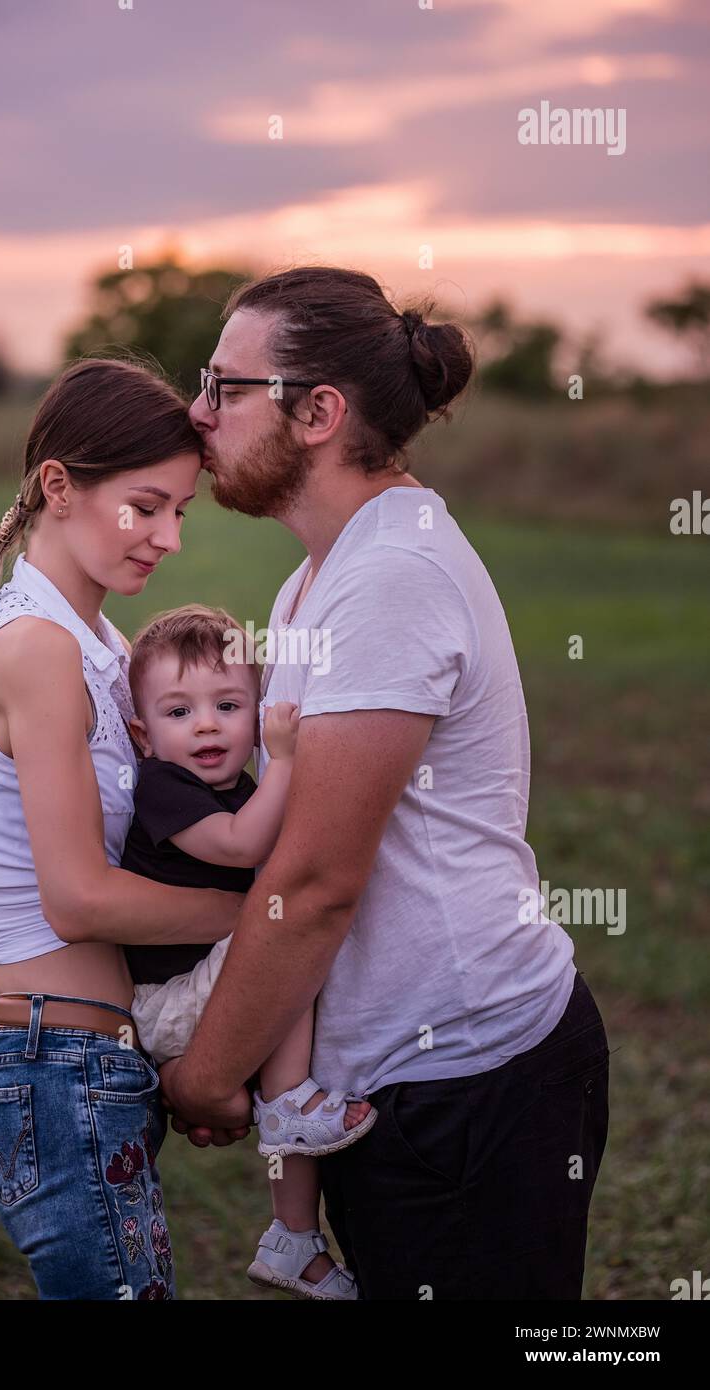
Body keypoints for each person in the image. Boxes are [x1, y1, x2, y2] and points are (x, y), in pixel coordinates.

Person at [159, 266, 610, 1300]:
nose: (197, 412)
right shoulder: (319, 575)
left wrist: (206, 1070)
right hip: (393, 1077)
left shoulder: (391, 576)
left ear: (318, 412)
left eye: (224, 386)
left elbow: (316, 878)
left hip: (469, 1074)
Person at [0, 357, 249, 1300]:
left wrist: (197, 1052)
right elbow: (78, 898)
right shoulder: (37, 648)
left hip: (100, 1059)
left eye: (180, 513)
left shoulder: (108, 648)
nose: (167, 537)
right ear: (58, 486)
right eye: (145, 506)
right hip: (57, 1065)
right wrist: (267, 917)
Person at [119, 603, 375, 1298]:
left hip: (207, 984)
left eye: (226, 704)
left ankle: (290, 1237)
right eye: (178, 712)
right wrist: (287, 759)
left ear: (254, 710)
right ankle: (289, 1098)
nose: (205, 724)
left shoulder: (239, 788)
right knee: (286, 942)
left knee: (288, 962)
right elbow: (239, 846)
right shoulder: (162, 790)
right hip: (168, 1003)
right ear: (142, 734)